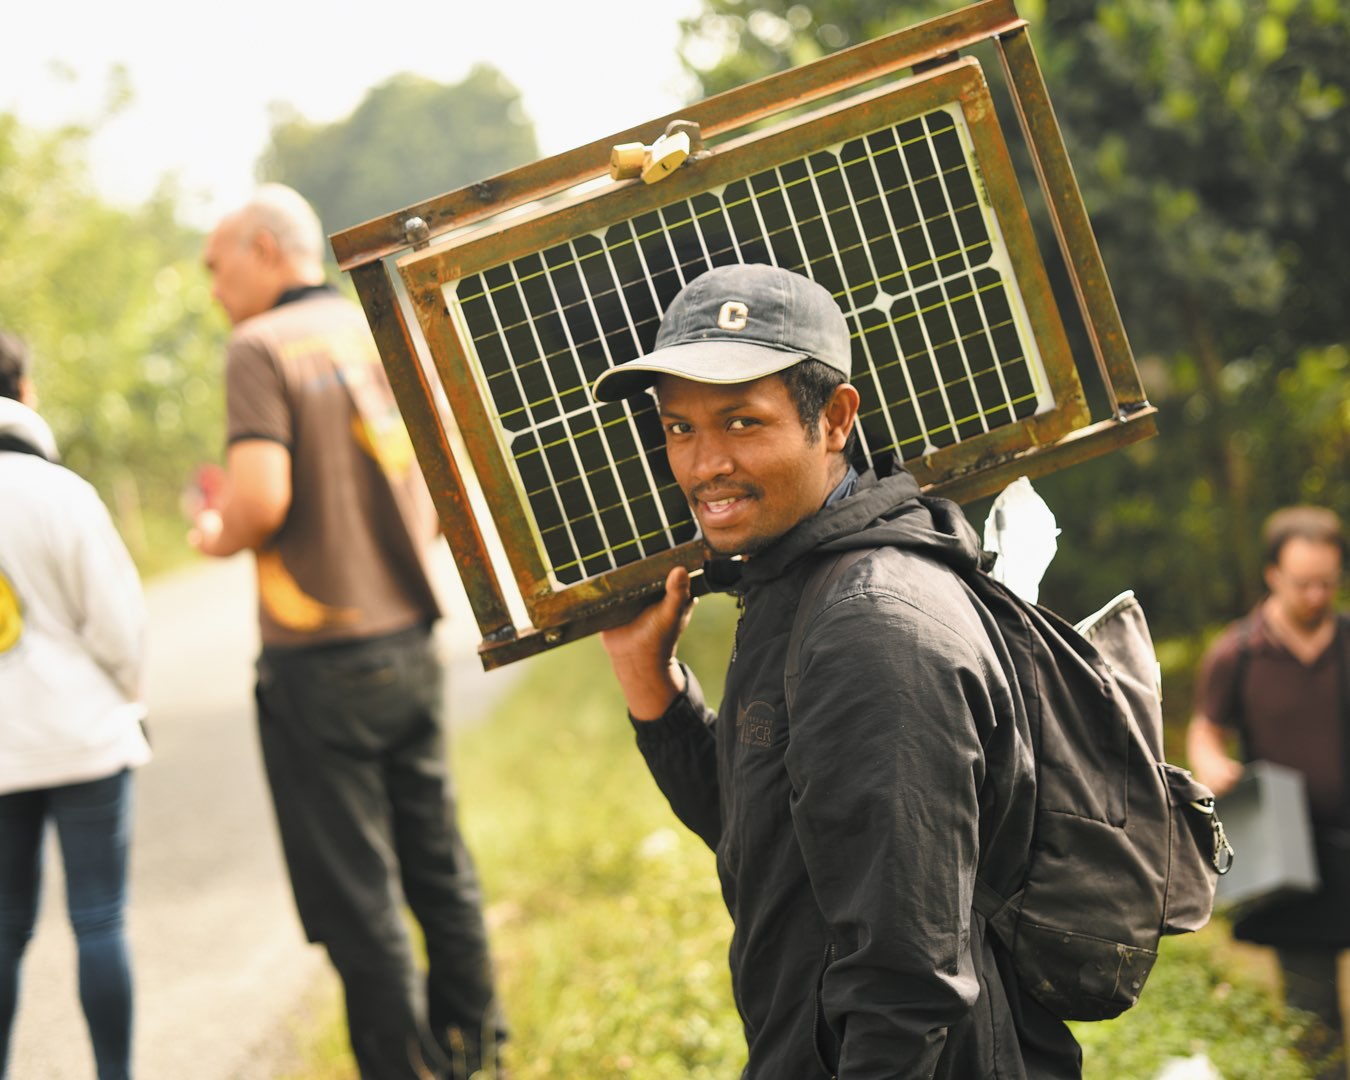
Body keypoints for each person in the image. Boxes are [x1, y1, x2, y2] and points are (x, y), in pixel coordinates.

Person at [593, 263, 1081, 1078]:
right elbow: (773, 842)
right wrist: (651, 684)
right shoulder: (794, 584)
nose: (703, 463)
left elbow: (907, 979)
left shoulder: (870, 629)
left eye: (742, 422)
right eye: (679, 428)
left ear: (836, 418)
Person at [189, 185, 503, 1079]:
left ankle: (401, 1069)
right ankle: (479, 1051)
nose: (213, 288)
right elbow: (444, 476)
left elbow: (259, 500)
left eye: (216, 266)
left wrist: (213, 534)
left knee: (358, 889)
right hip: (410, 636)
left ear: (261, 248)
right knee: (437, 861)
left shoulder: (256, 349)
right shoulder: (374, 328)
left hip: (319, 660)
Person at [0, 330, 151, 1080]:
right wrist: (130, 696)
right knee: (98, 918)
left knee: (1, 931)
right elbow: (120, 628)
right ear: (24, 391)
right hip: (84, 735)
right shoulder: (61, 492)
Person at [1187, 505, 1350, 1073]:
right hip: (1291, 856)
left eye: (1327, 583)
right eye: (1304, 583)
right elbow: (1206, 729)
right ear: (1273, 575)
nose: (1316, 595)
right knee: (1312, 1015)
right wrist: (1212, 763)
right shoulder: (1238, 653)